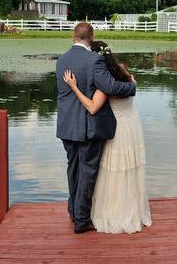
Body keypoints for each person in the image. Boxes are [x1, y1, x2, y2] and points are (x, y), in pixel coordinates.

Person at [63, 41, 152, 234]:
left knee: (113, 171)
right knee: (130, 169)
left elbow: (93, 107)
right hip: (133, 127)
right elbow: (131, 87)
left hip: (117, 130)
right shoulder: (127, 76)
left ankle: (113, 211)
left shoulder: (105, 84)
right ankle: (132, 209)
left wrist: (74, 87)